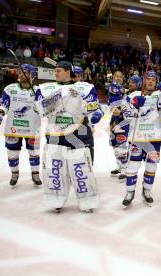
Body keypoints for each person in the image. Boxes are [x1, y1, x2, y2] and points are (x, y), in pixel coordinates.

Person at [35, 61, 104, 213]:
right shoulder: (45, 88)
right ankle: (55, 199)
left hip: (79, 133)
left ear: (68, 71)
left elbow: (94, 104)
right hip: (55, 133)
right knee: (55, 168)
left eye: (59, 70)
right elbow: (37, 108)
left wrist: (98, 112)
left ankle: (88, 201)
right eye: (55, 70)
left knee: (82, 168)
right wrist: (44, 103)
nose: (56, 73)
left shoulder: (85, 87)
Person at [0, 64, 42, 187]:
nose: (21, 74)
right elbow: (4, 105)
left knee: (34, 152)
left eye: (25, 72)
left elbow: (44, 109)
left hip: (33, 128)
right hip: (13, 127)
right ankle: (14, 174)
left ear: (32, 75)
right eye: (19, 71)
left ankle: (35, 175)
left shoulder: (39, 90)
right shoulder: (10, 89)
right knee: (12, 153)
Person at [121, 70, 161, 208]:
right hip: (137, 138)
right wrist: (135, 107)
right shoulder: (133, 95)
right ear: (144, 81)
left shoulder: (160, 95)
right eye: (148, 79)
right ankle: (130, 192)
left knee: (151, 166)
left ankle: (147, 190)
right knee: (132, 166)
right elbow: (127, 116)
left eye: (153, 79)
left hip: (154, 138)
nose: (151, 81)